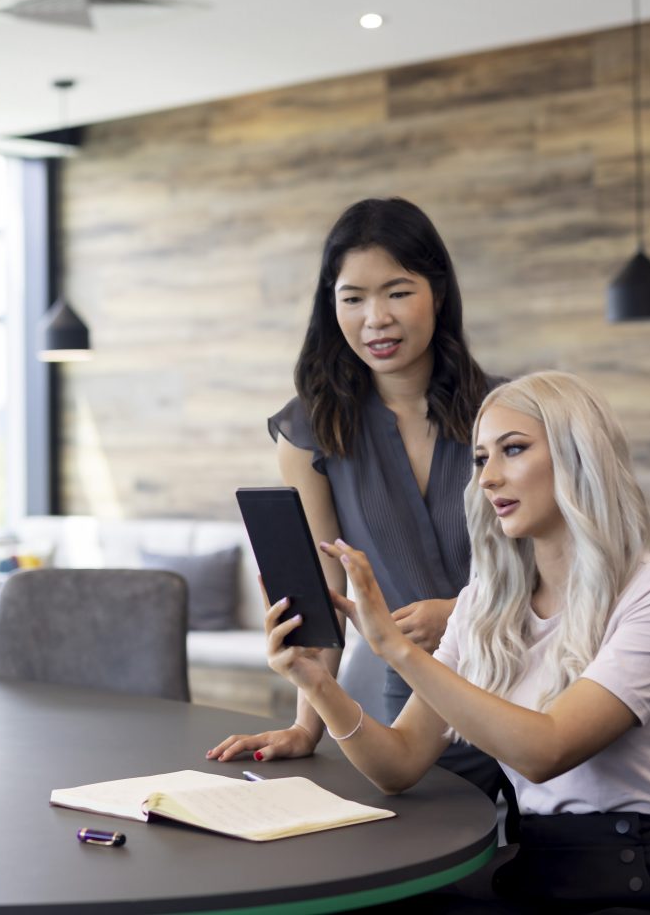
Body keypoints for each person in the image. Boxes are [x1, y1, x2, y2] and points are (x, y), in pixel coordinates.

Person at [262, 371, 650, 914]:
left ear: (579, 457)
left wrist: (397, 649)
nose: (488, 478)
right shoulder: (486, 603)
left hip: (637, 879)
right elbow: (399, 764)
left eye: (514, 450)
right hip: (532, 869)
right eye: (481, 459)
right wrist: (316, 682)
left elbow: (544, 751)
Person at [208, 197, 511, 810]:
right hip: (399, 721)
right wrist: (306, 725)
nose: (376, 319)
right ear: (332, 306)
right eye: (353, 298)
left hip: (518, 687)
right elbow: (322, 600)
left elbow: (555, 577)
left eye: (398, 292)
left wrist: (457, 611)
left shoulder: (508, 414)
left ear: (439, 292)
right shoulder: (311, 430)